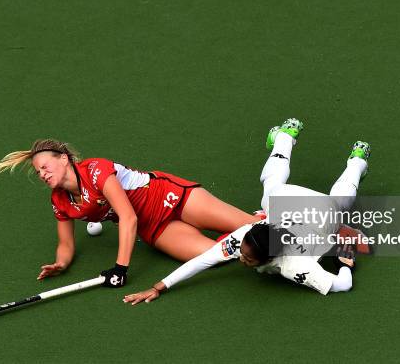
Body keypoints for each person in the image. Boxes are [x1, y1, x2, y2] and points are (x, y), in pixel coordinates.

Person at [123, 118, 371, 304]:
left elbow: (342, 285)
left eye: (248, 259)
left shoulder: (296, 266)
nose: (240, 258)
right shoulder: (245, 236)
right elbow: (203, 260)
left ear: (270, 258)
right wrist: (158, 287)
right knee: (272, 193)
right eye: (243, 254)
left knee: (338, 204)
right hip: (286, 206)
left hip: (320, 216)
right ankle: (300, 142)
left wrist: (344, 263)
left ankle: (356, 160)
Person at [0, 139, 261, 288]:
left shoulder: (96, 170)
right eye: (39, 173)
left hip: (172, 197)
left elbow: (127, 217)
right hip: (155, 228)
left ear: (64, 158)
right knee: (218, 255)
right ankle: (243, 235)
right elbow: (66, 244)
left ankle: (298, 227)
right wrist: (61, 263)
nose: (43, 174)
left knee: (255, 226)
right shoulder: (60, 200)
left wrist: (120, 268)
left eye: (46, 166)